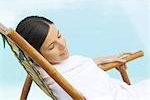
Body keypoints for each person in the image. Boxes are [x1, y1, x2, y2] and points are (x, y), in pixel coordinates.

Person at [16, 16, 150, 100]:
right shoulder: (56, 79)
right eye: (52, 46)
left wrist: (101, 60)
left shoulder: (49, 68)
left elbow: (73, 68)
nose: (62, 45)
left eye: (59, 35)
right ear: (36, 55)